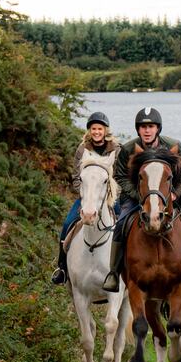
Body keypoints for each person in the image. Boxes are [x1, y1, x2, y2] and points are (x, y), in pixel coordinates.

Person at [101, 106, 181, 293]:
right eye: (143, 127)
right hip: (139, 195)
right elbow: (120, 176)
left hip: (176, 192)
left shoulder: (173, 145)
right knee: (121, 224)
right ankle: (113, 273)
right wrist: (143, 196)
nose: (147, 131)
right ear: (138, 129)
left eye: (151, 126)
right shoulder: (128, 149)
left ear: (158, 129)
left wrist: (175, 193)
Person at [51, 112, 120, 285]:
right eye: (93, 128)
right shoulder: (82, 150)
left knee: (126, 223)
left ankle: (129, 267)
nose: (97, 132)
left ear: (105, 130)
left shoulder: (117, 150)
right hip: (87, 196)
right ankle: (62, 268)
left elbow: (120, 175)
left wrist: (112, 193)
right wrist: (85, 191)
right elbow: (76, 177)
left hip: (111, 196)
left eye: (100, 129)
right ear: (89, 130)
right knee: (68, 224)